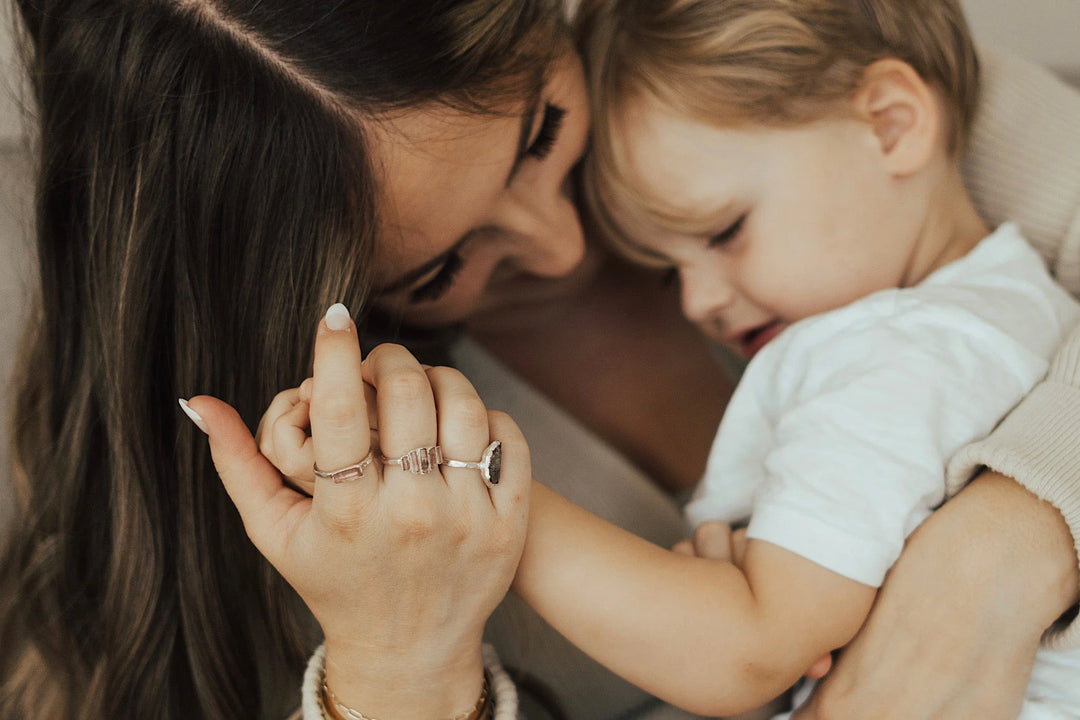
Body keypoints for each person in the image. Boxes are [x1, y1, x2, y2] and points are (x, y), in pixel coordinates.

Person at [0, 0, 1078, 718]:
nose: (564, 244)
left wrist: (1005, 545)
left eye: (542, 131)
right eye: (440, 269)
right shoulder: (281, 511)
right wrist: (403, 661)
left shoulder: (765, 71)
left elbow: (755, 643)